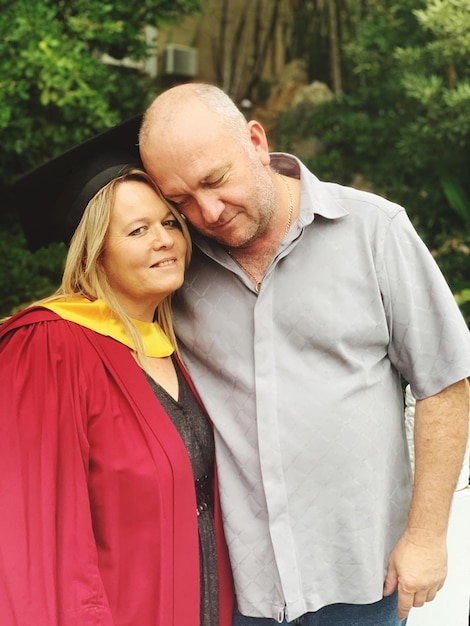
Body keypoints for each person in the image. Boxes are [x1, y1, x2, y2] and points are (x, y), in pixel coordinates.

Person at [138, 83, 470, 626]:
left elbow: (446, 382)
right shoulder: (176, 268)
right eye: (180, 202)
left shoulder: (374, 229)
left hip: (364, 578)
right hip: (236, 588)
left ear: (256, 140)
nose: (208, 212)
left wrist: (428, 536)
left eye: (215, 181)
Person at [0, 117, 233, 626]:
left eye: (169, 222)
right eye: (137, 230)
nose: (163, 239)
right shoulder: (48, 348)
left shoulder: (177, 350)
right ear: (95, 253)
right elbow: (29, 531)